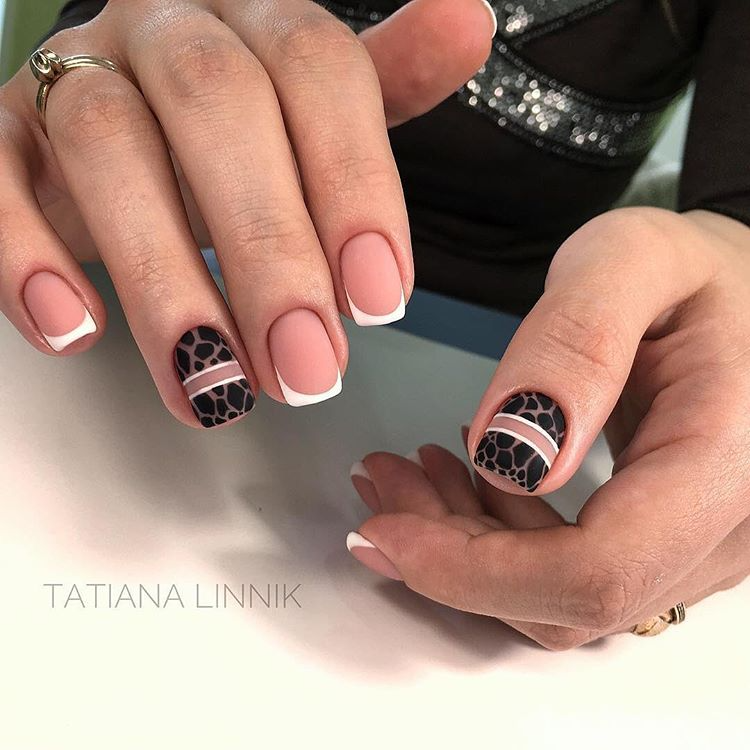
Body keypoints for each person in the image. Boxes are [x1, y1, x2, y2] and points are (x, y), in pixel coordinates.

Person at [2, 0, 749, 648]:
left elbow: (736, 220)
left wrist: (732, 268)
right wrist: (90, 99)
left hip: (492, 366)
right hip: (122, 346)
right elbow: (94, 40)